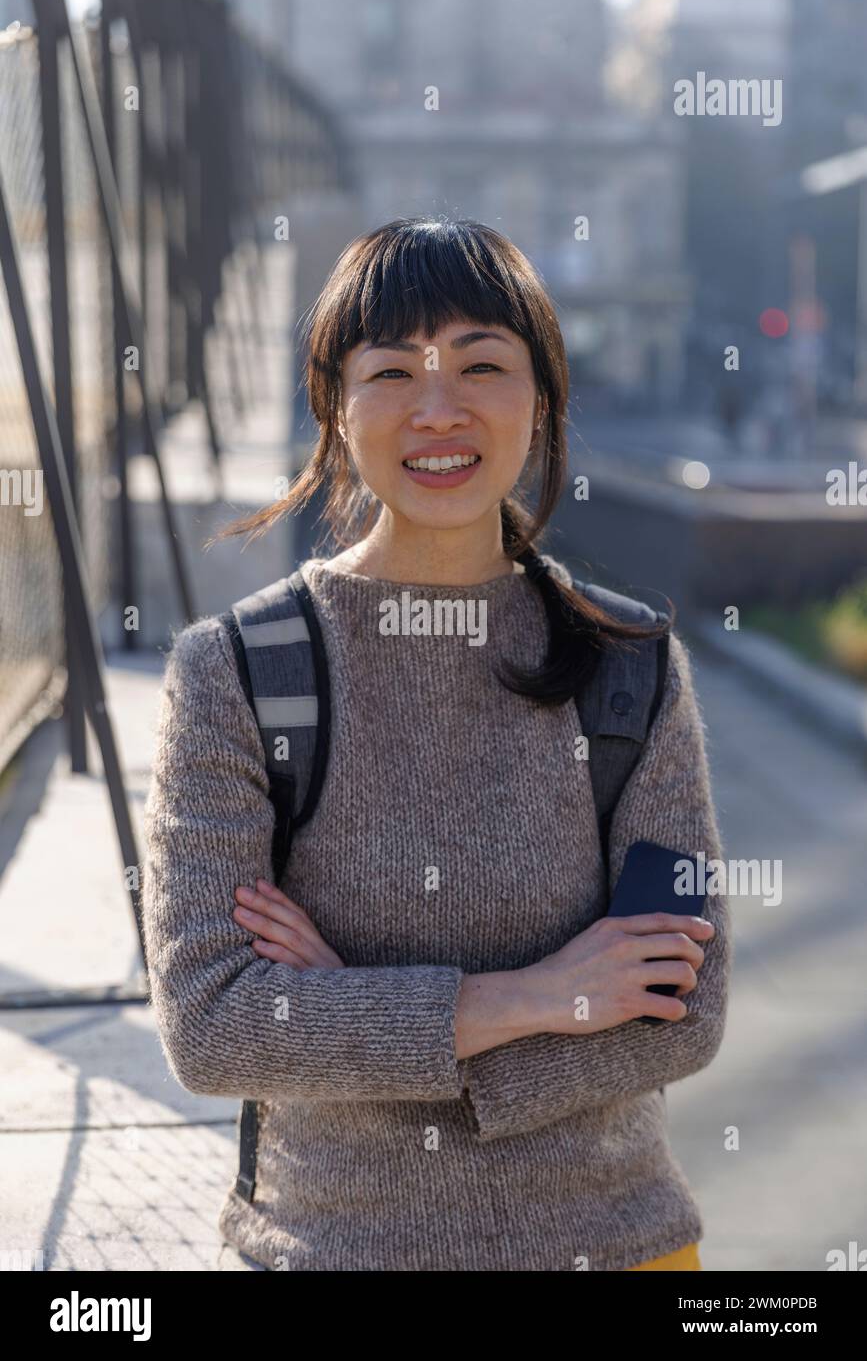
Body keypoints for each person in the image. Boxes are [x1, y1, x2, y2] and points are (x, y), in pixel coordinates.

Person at [142, 217, 731, 1273]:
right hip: (333, 1251)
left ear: (540, 398)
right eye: (391, 371)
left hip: (619, 1248)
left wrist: (357, 1025)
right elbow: (213, 1022)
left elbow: (681, 1010)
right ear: (332, 401)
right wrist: (539, 996)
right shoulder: (237, 671)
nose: (438, 407)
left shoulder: (631, 664)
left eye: (481, 363)